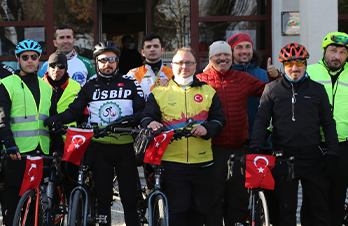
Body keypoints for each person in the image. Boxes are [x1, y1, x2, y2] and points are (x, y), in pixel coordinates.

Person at [45, 42, 145, 226]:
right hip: (99, 148)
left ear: (117, 61)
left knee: (129, 197)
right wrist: (57, 119)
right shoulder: (90, 86)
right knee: (103, 197)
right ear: (96, 63)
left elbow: (142, 111)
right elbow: (74, 111)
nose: (108, 64)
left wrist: (129, 121)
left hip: (125, 147)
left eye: (112, 60)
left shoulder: (131, 83)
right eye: (103, 60)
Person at [251, 43, 340, 226]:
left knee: (319, 209)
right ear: (283, 66)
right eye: (289, 64)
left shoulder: (317, 90)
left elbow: (328, 124)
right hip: (283, 157)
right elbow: (261, 120)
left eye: (299, 63)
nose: (295, 68)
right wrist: (256, 147)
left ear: (305, 64)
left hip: (312, 157)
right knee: (285, 210)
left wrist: (332, 152)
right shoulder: (272, 89)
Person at [141, 47, 226, 225]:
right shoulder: (159, 91)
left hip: (202, 163)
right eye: (180, 62)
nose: (184, 66)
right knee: (177, 213)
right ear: (172, 65)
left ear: (196, 65)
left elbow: (219, 120)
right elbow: (147, 117)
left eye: (188, 62)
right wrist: (151, 123)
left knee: (200, 213)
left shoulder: (208, 91)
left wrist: (208, 129)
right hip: (172, 164)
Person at [196, 41, 270, 225]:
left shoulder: (242, 78)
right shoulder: (200, 80)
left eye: (226, 55)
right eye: (217, 56)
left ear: (231, 57)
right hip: (212, 149)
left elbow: (270, 92)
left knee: (238, 199)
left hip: (239, 149)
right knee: (213, 198)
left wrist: (276, 77)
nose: (223, 58)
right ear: (211, 59)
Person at [0, 40, 60, 225]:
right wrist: (9, 144)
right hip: (17, 154)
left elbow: (51, 120)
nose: (30, 61)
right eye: (25, 57)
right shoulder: (7, 84)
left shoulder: (47, 87)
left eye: (34, 57)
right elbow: (1, 119)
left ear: (39, 59)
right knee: (13, 207)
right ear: (18, 60)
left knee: (36, 208)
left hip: (42, 153)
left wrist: (60, 148)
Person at [305, 32, 348, 226]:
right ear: (324, 51)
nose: (337, 56)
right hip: (313, 145)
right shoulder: (308, 72)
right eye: (333, 51)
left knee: (337, 198)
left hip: (343, 145)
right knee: (311, 200)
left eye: (343, 52)